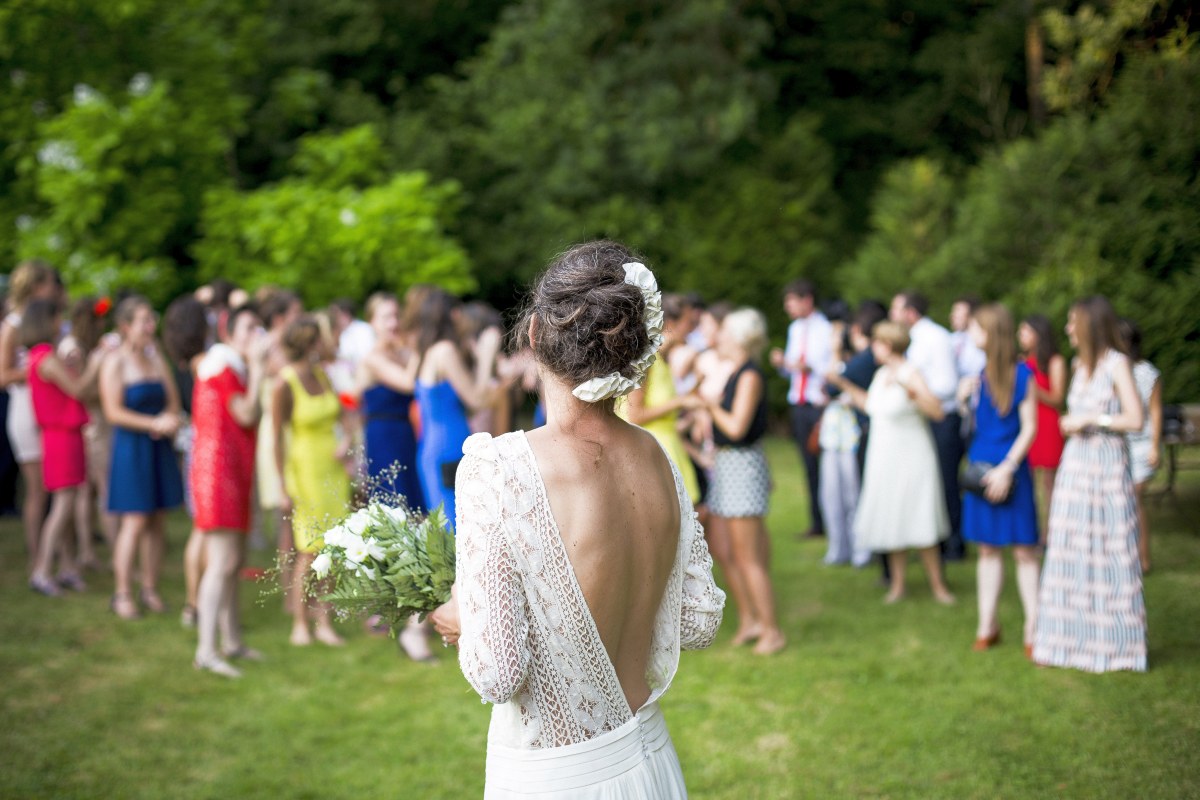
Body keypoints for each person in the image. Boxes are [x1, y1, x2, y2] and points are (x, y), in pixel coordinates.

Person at [428, 240, 724, 798]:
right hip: (652, 761)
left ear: (535, 334)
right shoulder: (659, 458)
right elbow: (698, 621)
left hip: (557, 777)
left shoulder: (500, 469)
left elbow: (497, 672)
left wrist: (461, 614)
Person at [1033, 296, 1146, 673]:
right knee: (1070, 548)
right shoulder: (1080, 366)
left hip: (1106, 466)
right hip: (1076, 467)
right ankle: (1067, 639)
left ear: (1088, 325)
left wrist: (1092, 420)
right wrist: (1071, 422)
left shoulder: (1116, 364)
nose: (1067, 329)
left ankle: (1117, 644)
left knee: (1109, 550)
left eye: (1072, 322)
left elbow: (1135, 419)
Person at [694, 308, 786, 655]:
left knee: (749, 557)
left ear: (741, 339)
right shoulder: (735, 372)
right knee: (727, 550)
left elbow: (736, 427)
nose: (720, 338)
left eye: (727, 333)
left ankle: (772, 630)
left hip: (742, 468)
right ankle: (751, 620)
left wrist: (711, 406)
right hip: (728, 467)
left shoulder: (749, 376)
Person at [848, 321, 955, 604]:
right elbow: (872, 407)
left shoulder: (911, 373)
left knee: (920, 515)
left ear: (888, 345)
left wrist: (913, 392)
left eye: (877, 343)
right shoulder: (881, 373)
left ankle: (938, 585)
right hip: (884, 455)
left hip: (912, 454)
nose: (873, 348)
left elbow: (937, 411)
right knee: (892, 516)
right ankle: (897, 585)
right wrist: (841, 385)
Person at [191, 304, 268, 678]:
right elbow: (247, 413)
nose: (258, 335)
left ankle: (231, 641)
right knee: (221, 562)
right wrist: (257, 369)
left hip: (232, 471)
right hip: (217, 473)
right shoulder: (222, 367)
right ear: (230, 334)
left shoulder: (228, 367)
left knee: (233, 562)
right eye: (250, 327)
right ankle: (206, 650)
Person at [958, 305, 1040, 655]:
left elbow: (1030, 427)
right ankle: (986, 625)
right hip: (980, 468)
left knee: (1024, 551)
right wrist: (964, 401)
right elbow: (976, 424)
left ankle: (1034, 629)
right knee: (987, 549)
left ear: (992, 334)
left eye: (976, 329)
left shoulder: (1023, 375)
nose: (971, 335)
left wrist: (1007, 468)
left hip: (1011, 468)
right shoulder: (979, 374)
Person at [101, 296, 184, 619]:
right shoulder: (115, 362)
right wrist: (153, 422)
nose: (151, 326)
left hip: (158, 446)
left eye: (152, 319)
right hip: (132, 448)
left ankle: (150, 587)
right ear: (125, 327)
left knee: (158, 520)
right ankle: (122, 592)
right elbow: (112, 411)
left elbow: (174, 401)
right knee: (134, 521)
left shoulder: (157, 359)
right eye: (144, 321)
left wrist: (170, 418)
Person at [273, 316, 349, 647]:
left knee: (333, 548)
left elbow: (343, 415)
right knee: (308, 550)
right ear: (309, 343)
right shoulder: (284, 383)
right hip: (304, 470)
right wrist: (281, 484)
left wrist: (347, 440)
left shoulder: (323, 376)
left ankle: (324, 619)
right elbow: (276, 437)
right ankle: (299, 622)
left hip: (332, 469)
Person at [23, 300, 107, 595]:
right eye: (58, 316)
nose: (63, 322)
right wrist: (95, 364)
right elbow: (78, 389)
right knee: (62, 505)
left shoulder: (42, 356)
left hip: (63, 435)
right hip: (61, 436)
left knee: (67, 503)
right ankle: (43, 570)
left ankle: (67, 567)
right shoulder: (45, 357)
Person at [412, 287, 498, 526]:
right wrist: (485, 356)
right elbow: (477, 401)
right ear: (454, 315)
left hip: (436, 447)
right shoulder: (444, 351)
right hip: (449, 448)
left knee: (451, 527)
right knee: (457, 529)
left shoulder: (427, 350)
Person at [891, 291, 965, 560]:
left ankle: (954, 545)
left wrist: (916, 390)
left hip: (942, 419)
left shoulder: (934, 337)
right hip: (922, 418)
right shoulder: (915, 339)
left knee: (946, 482)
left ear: (911, 313)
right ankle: (934, 541)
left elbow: (947, 384)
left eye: (896, 309)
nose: (893, 315)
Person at [0, 260, 59, 569]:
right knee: (36, 489)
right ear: (36, 286)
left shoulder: (45, 320)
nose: (54, 290)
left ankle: (54, 549)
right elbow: (2, 374)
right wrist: (36, 370)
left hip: (49, 407)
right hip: (25, 408)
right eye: (49, 283)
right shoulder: (13, 324)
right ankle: (37, 554)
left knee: (55, 485)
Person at [820, 304, 886, 568]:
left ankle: (858, 548)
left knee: (850, 493)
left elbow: (830, 384)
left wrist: (836, 352)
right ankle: (843, 548)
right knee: (834, 493)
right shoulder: (857, 359)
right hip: (836, 434)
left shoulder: (862, 361)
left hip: (852, 436)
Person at [619, 293, 701, 504]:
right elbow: (634, 415)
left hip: (669, 447)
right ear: (671, 323)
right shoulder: (646, 362)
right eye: (689, 322)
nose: (694, 329)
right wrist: (680, 402)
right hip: (651, 452)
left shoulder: (662, 361)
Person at [162, 296, 210, 627]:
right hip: (206, 446)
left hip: (194, 445)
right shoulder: (204, 365)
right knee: (205, 529)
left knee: (200, 528)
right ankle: (197, 600)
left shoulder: (177, 364)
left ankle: (195, 602)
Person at [770, 280, 832, 539]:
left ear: (807, 300)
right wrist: (782, 365)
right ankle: (817, 522)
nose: (788, 307)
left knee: (823, 465)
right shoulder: (795, 329)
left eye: (791, 301)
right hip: (799, 401)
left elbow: (817, 366)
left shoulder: (825, 328)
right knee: (808, 465)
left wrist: (792, 364)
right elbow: (793, 370)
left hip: (818, 403)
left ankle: (831, 520)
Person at [61, 295, 116, 567]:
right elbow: (80, 391)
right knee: (102, 490)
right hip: (91, 426)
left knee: (89, 492)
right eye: (100, 318)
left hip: (92, 424)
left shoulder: (83, 346)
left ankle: (87, 551)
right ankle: (111, 553)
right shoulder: (76, 349)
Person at [257, 290, 302, 612]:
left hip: (296, 434)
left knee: (299, 517)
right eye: (295, 314)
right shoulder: (270, 348)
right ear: (280, 318)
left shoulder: (290, 348)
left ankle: (301, 586)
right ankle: (290, 591)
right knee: (286, 518)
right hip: (276, 434)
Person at [1118, 318, 1161, 572]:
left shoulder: (1147, 373)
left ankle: (1143, 559)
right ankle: (1125, 556)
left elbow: (1155, 413)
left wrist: (1155, 446)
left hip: (1143, 444)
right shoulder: (1111, 370)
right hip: (1121, 444)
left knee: (1134, 499)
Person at [1018, 315, 1067, 529]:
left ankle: (1052, 532)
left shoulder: (1055, 362)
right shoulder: (1022, 362)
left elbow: (1057, 398)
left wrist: (1032, 388)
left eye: (1025, 331)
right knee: (1029, 483)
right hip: (1028, 423)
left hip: (1048, 425)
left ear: (1038, 334)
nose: (1020, 336)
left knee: (1049, 483)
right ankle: (1033, 530)